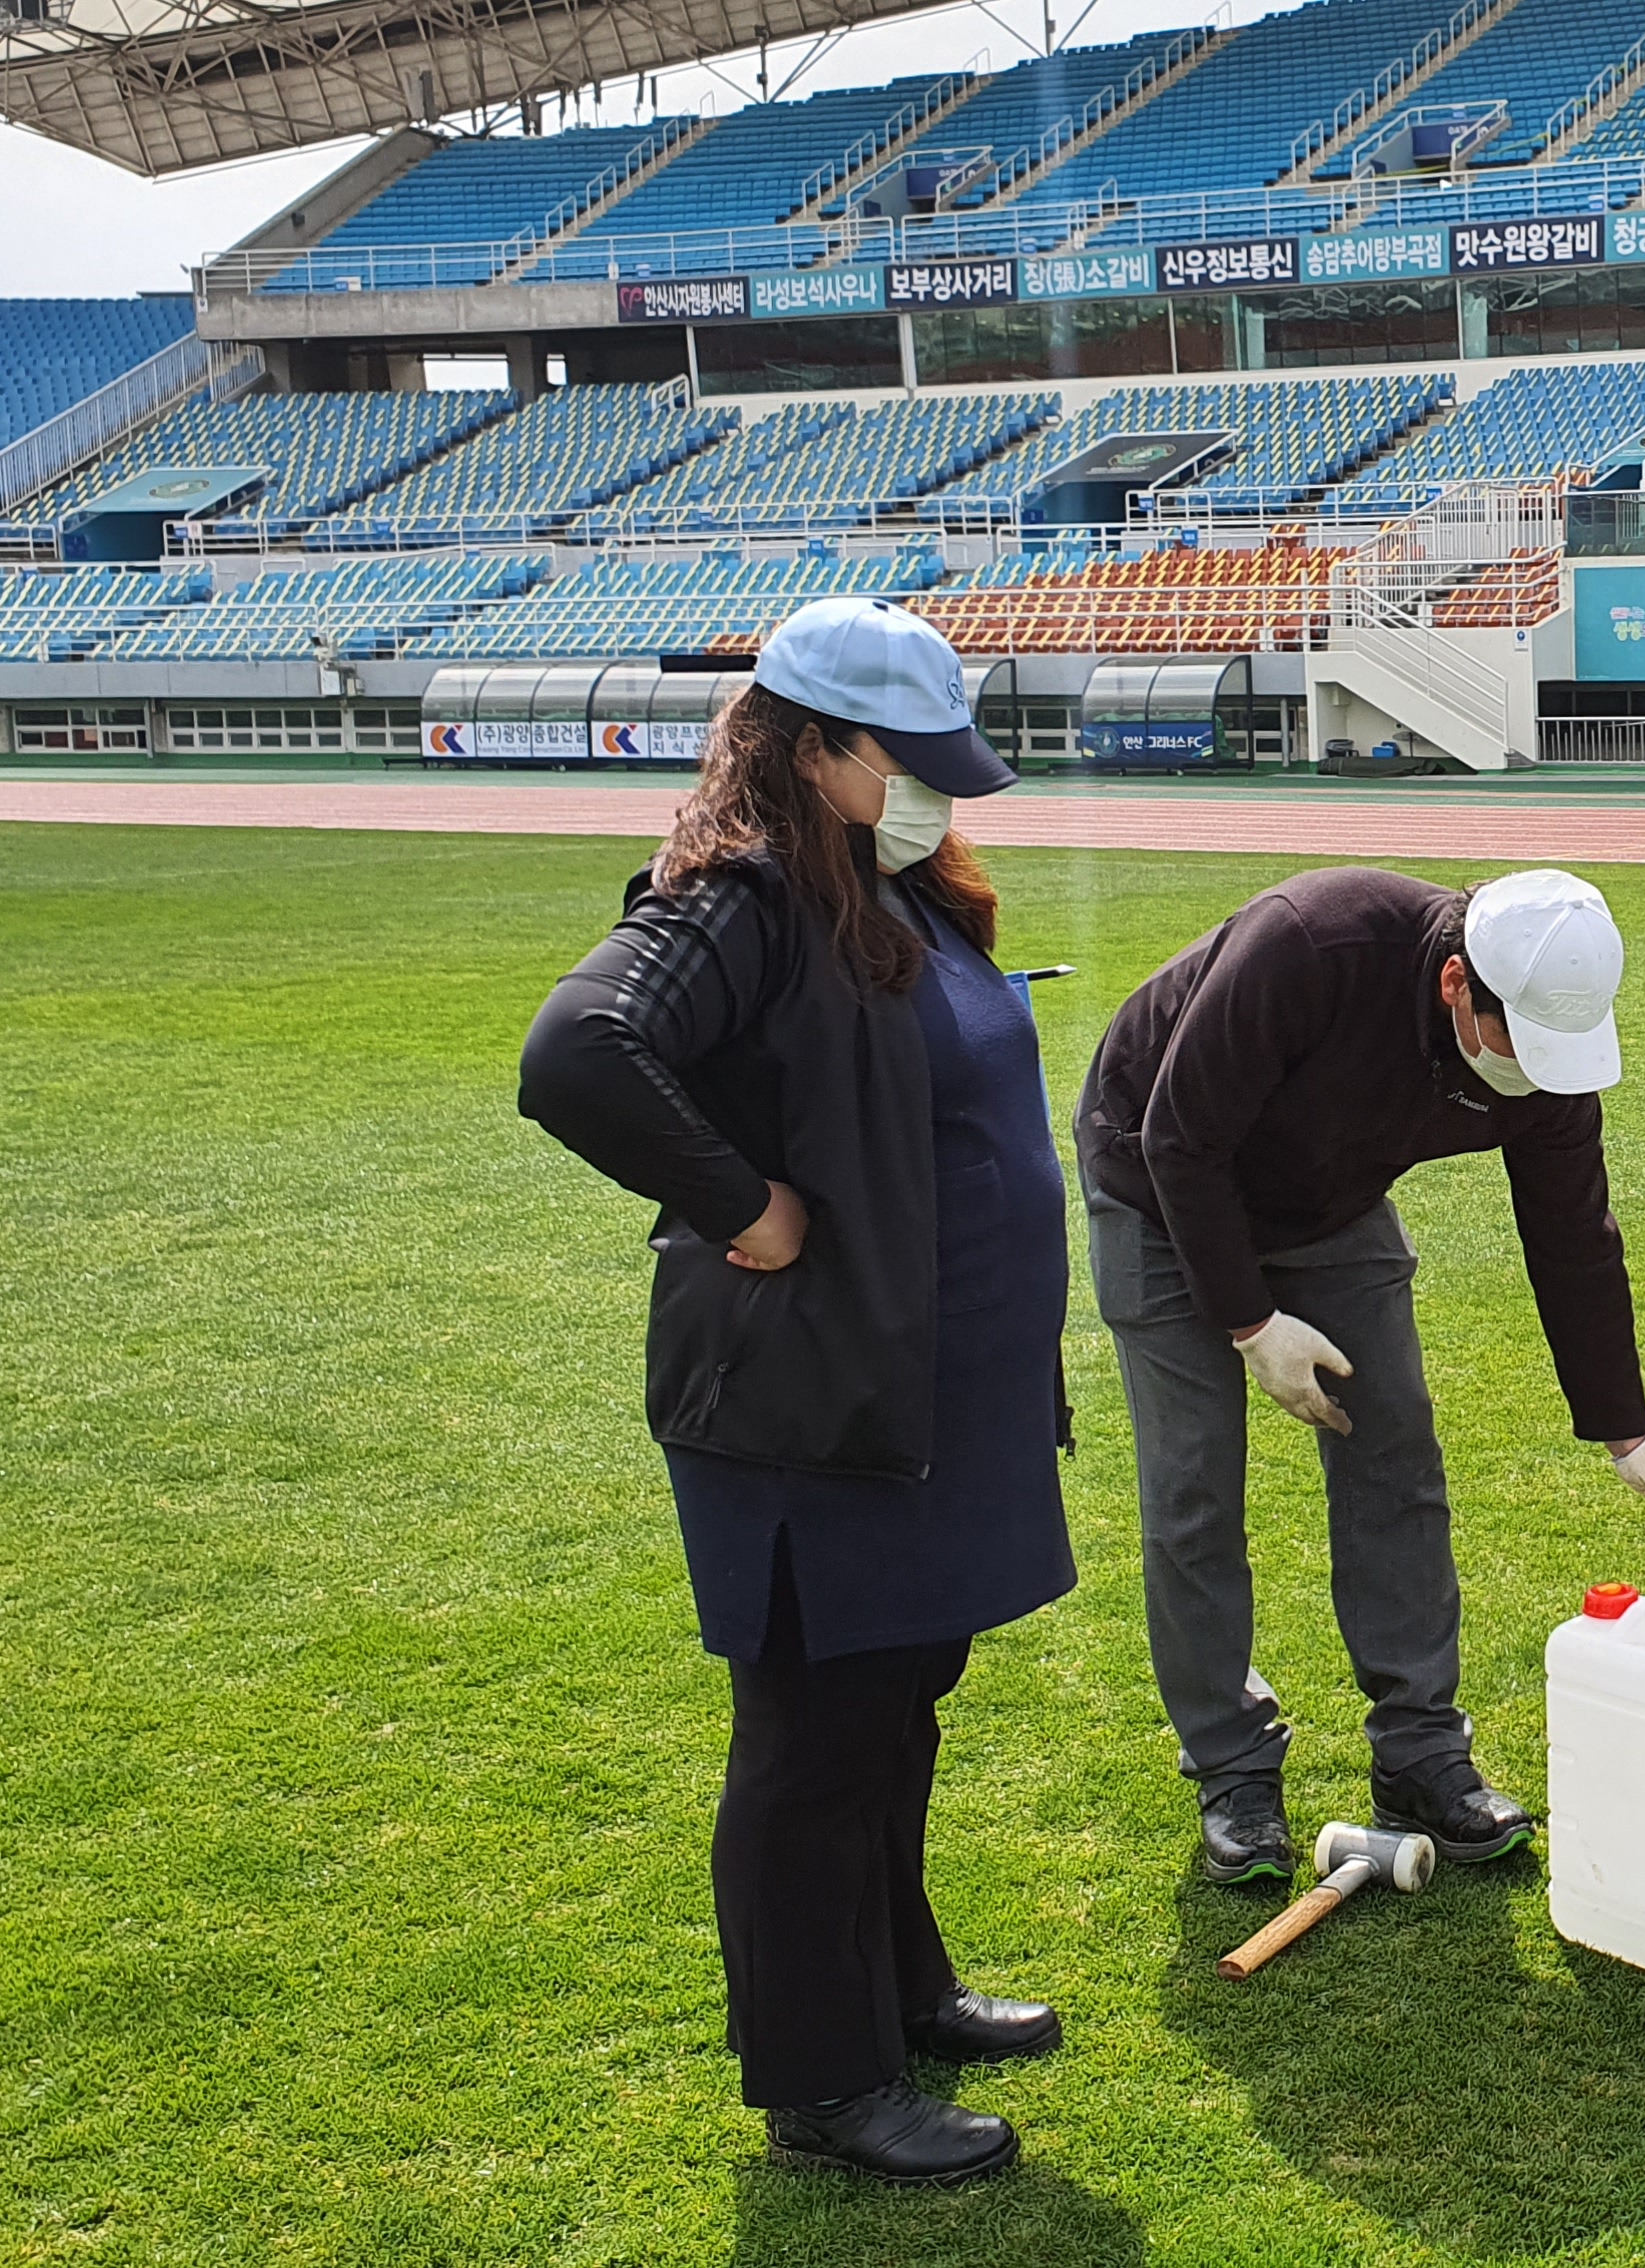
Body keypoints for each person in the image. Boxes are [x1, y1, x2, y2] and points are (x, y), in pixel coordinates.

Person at [518, 596, 1070, 2186]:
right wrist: (744, 1203)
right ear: (816, 747)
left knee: (899, 1711)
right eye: (911, 761)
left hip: (920, 1407)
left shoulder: (887, 887)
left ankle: (899, 1991)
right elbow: (579, 1052)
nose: (940, 792)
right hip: (807, 1413)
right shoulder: (741, 898)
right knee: (816, 1741)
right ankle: (824, 2084)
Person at [1076, 867, 1645, 1888]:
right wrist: (1251, 1323)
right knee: (1194, 1487)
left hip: (1330, 1200)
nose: (1534, 1070)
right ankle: (1233, 1769)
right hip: (1161, 1179)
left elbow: (1573, 1238)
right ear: (1456, 983)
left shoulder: (1547, 1062)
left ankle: (1420, 1754)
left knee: (1397, 1455)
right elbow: (1181, 1137)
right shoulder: (1312, 944)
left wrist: (1628, 1435)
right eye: (1517, 1042)